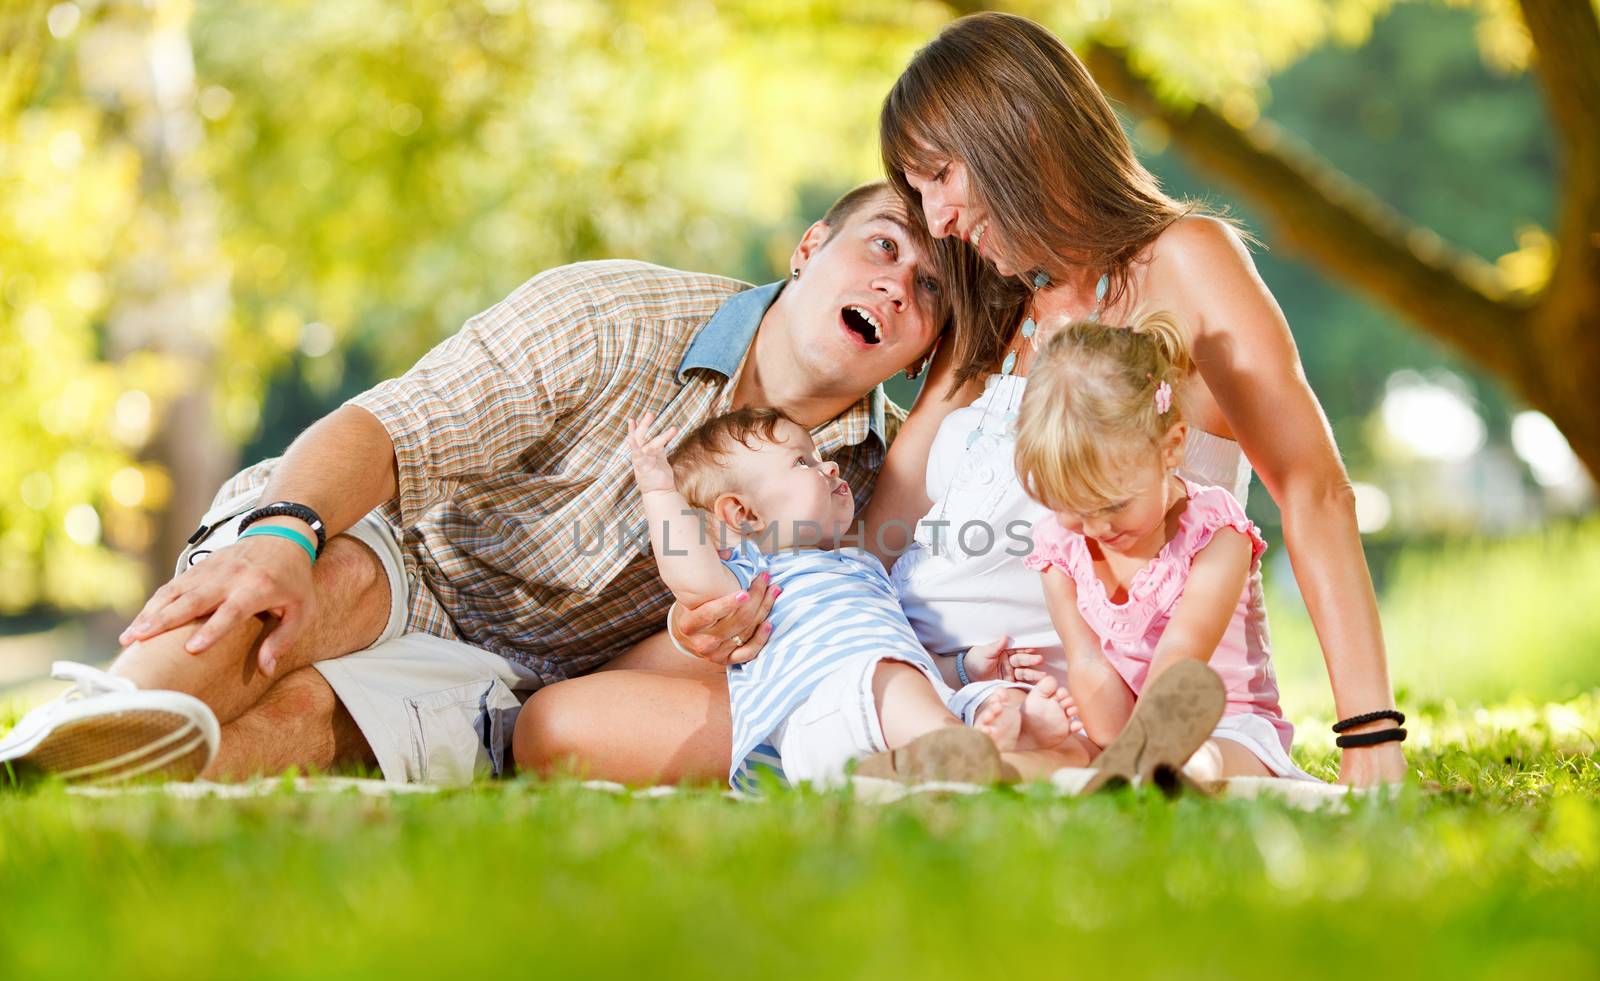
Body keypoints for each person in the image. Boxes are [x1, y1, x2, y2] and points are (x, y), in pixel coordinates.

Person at [1, 181, 949, 786]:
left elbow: (695, 672)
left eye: (933, 286)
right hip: (401, 546)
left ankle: (63, 785)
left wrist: (688, 636)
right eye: (881, 246)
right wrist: (282, 535)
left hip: (503, 681)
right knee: (301, 595)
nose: (900, 284)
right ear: (809, 245)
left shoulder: (870, 484)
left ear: (928, 345)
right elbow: (388, 425)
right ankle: (65, 740)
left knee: (312, 718)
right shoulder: (616, 314)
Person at [869, 11, 1408, 787]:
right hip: (964, 694)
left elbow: (1312, 487)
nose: (937, 222)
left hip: (1117, 706)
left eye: (942, 176)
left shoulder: (1185, 262)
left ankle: (1140, 765)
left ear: (1019, 130)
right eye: (918, 192)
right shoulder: (992, 308)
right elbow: (886, 530)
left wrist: (1370, 738)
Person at [618, 406, 1079, 788]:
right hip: (818, 719)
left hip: (884, 708)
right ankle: (959, 749)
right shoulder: (752, 573)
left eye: (818, 456)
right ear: (743, 512)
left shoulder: (862, 568)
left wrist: (964, 668)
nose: (829, 466)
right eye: (803, 462)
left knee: (987, 694)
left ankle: (1013, 736)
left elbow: (902, 654)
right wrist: (659, 491)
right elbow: (692, 579)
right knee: (886, 679)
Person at [1013, 312, 1324, 785]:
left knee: (1204, 760)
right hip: (1124, 731)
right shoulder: (1061, 550)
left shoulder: (1217, 536)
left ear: (1170, 448)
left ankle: (1166, 778)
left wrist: (1141, 747)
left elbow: (1181, 657)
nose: (1094, 527)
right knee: (1066, 750)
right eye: (1070, 506)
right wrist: (1105, 743)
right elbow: (1090, 665)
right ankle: (984, 765)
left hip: (1226, 726)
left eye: (1113, 504)